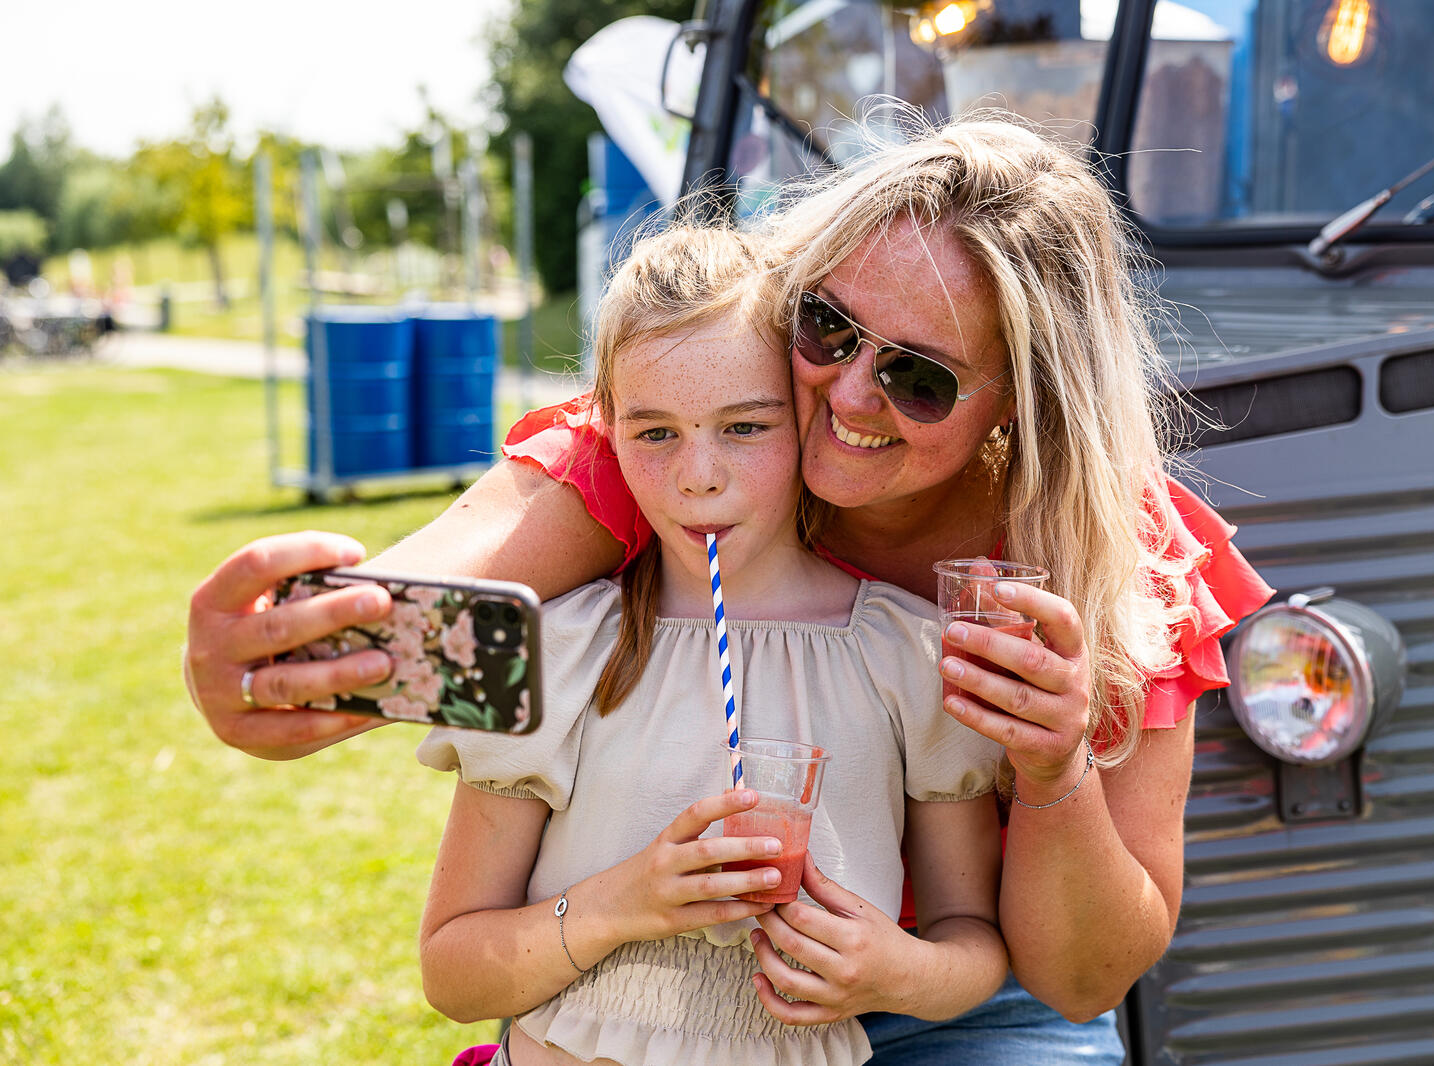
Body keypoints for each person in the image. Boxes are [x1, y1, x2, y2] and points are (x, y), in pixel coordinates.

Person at [183, 112, 1272, 1062]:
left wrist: (1052, 764)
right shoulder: (686, 452)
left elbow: (1083, 979)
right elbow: (400, 609)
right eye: (827, 326)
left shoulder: (1105, 561)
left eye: (917, 376)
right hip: (663, 992)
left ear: (1015, 405)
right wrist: (281, 648)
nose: (843, 392)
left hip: (966, 998)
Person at [416, 225, 1005, 1065]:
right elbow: (452, 976)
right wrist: (626, 901)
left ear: (808, 415)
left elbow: (973, 946)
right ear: (608, 430)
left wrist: (899, 972)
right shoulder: (553, 653)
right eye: (655, 433)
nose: (698, 475)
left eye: (744, 428)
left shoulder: (905, 656)